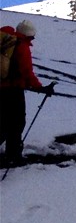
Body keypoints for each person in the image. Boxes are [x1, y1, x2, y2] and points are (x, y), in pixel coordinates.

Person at [2, 20, 54, 165]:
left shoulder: (5, 42)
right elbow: (27, 72)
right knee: (16, 122)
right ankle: (13, 156)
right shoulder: (21, 46)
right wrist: (40, 87)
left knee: (4, 121)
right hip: (13, 90)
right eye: (32, 37)